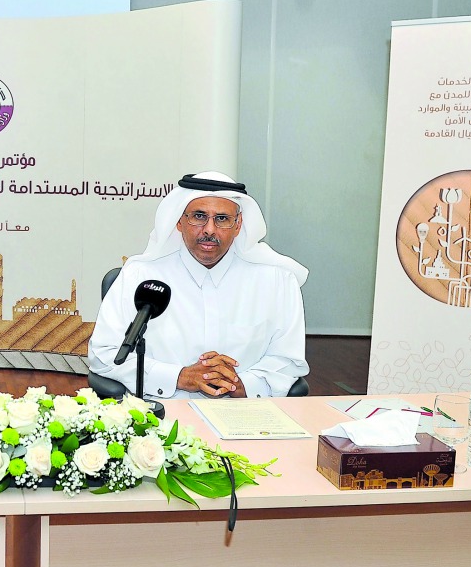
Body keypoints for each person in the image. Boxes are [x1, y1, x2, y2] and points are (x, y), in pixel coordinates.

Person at [88, 171, 308, 400]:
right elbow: (105, 353)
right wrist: (178, 377)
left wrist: (242, 385)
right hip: (162, 416)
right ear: (179, 221)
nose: (209, 230)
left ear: (238, 224)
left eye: (222, 218)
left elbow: (288, 359)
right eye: (199, 216)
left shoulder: (277, 280)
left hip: (246, 416)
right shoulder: (140, 276)